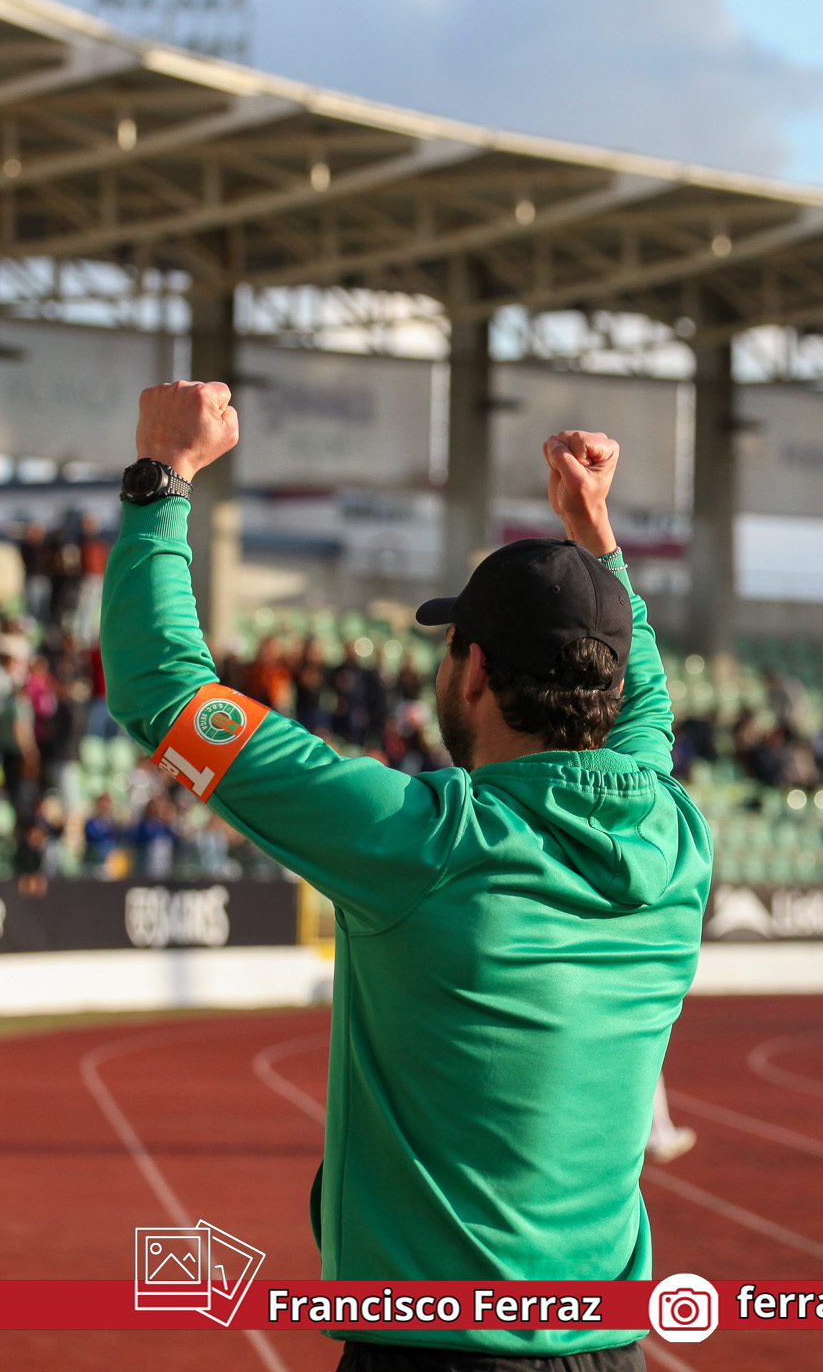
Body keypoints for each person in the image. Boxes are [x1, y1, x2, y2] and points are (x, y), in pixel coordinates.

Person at [102, 380, 707, 1370]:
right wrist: (593, 544)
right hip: (610, 1348)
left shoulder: (418, 839)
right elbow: (641, 700)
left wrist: (160, 475)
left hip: (433, 1351)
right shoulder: (676, 833)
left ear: (471, 672)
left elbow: (158, 688)